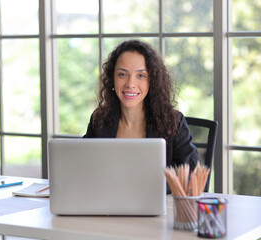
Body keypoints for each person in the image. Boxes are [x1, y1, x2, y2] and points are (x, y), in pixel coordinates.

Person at [83, 40, 200, 193]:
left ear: (152, 81)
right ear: (112, 79)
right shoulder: (100, 120)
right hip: (109, 207)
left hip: (158, 210)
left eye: (141, 76)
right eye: (122, 74)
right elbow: (82, 168)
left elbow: (194, 176)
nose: (130, 83)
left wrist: (150, 188)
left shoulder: (172, 122)